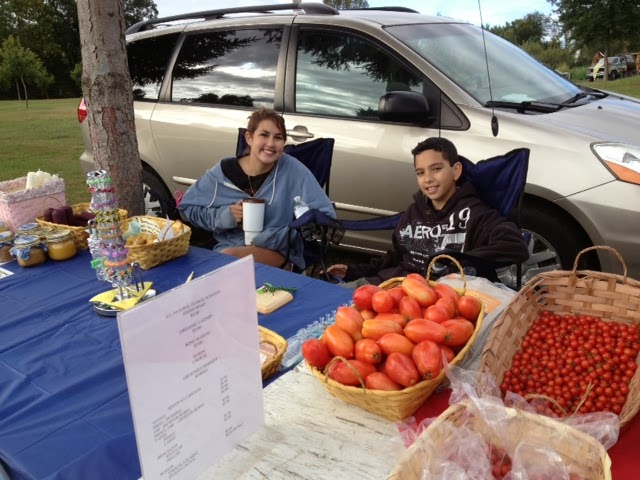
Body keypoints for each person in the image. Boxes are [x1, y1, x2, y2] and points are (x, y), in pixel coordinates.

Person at [326, 137, 529, 286]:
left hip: (438, 296)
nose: (428, 179)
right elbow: (395, 257)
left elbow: (514, 246)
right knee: (333, 303)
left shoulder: (476, 214)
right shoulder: (413, 212)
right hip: (390, 285)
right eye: (420, 173)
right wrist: (354, 270)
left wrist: (454, 262)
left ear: (456, 170)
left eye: (436, 169)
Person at [179, 108, 335, 270]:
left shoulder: (294, 170)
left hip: (278, 251)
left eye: (278, 137)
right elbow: (186, 208)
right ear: (249, 137)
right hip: (228, 247)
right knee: (225, 264)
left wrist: (277, 236)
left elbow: (324, 216)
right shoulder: (223, 173)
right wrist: (226, 216)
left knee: (229, 262)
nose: (270, 144)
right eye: (264, 135)